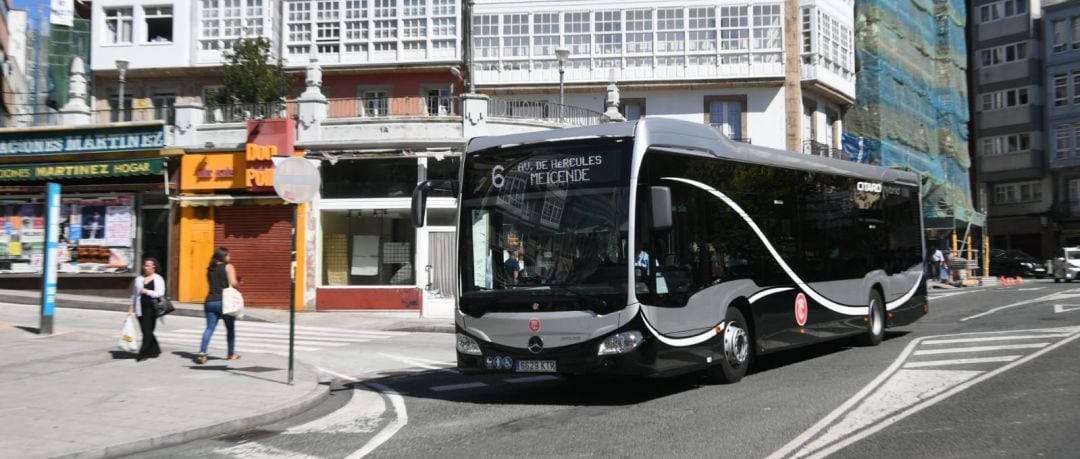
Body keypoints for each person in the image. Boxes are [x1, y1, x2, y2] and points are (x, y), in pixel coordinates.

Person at [198, 248, 241, 364]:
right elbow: (233, 283)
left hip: (210, 301)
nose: (229, 258)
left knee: (209, 328)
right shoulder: (228, 267)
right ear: (223, 256)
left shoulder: (209, 269)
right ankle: (230, 354)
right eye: (228, 256)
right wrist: (239, 282)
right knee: (230, 329)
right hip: (224, 303)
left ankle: (202, 352)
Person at [128, 258, 165, 362]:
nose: (146, 267)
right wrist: (131, 308)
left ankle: (142, 353)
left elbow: (160, 293)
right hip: (140, 309)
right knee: (146, 331)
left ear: (154, 267)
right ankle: (155, 349)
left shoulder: (158, 279)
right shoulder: (139, 279)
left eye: (149, 266)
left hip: (152, 309)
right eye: (145, 265)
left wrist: (148, 291)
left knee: (148, 331)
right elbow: (134, 295)